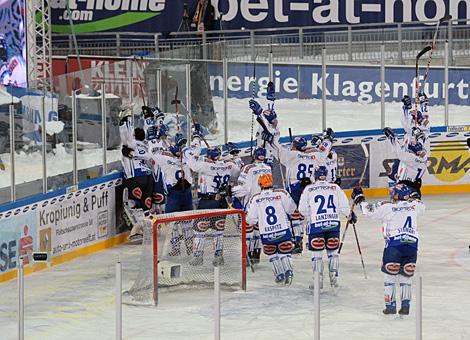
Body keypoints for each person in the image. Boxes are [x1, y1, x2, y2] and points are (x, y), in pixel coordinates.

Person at [351, 184, 425, 315]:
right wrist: (414, 196)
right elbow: (421, 205)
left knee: (389, 276)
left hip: (394, 246)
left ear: (396, 195)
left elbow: (368, 211)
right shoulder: (415, 206)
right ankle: (405, 305)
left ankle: (390, 307)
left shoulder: (387, 207)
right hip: (412, 246)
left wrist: (359, 198)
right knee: (406, 276)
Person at [184, 126, 241, 266]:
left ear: (208, 157)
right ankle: (218, 257)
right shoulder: (227, 166)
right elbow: (237, 171)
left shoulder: (205, 166)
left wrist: (189, 148)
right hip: (221, 202)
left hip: (207, 202)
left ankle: (198, 256)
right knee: (218, 229)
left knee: (199, 229)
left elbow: (192, 163)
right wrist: (234, 156)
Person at [298, 166, 354, 290]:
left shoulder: (309, 188)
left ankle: (318, 281)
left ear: (315, 175)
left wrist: (312, 214)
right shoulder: (335, 187)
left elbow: (302, 210)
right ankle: (334, 278)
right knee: (333, 253)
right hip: (333, 224)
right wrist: (350, 215)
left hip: (317, 226)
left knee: (316, 254)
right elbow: (344, 206)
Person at [246, 173, 297, 285]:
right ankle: (288, 271)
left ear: (260, 184)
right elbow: (292, 209)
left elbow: (251, 220)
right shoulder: (281, 193)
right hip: (283, 231)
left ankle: (279, 274)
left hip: (267, 234)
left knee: (272, 254)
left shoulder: (255, 198)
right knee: (284, 251)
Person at [232, 146, 272, 264]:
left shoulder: (248, 168)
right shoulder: (268, 168)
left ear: (254, 155)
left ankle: (248, 255)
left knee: (248, 229)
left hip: (251, 202)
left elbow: (244, 189)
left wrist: (231, 191)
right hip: (265, 202)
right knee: (258, 229)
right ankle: (257, 253)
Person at [383, 126, 428, 197]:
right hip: (415, 187)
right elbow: (421, 141)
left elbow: (399, 152)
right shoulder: (423, 156)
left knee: (400, 204)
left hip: (406, 186)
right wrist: (418, 134)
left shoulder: (410, 158)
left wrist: (392, 137)